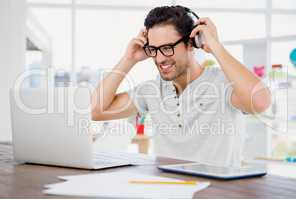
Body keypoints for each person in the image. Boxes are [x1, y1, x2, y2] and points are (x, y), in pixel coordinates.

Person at [91, 5, 271, 166]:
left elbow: (260, 101)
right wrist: (128, 59)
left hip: (216, 191)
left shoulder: (223, 84)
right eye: (154, 49)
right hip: (167, 189)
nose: (159, 58)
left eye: (167, 47)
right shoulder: (152, 90)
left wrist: (215, 46)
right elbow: (96, 110)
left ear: (191, 43)